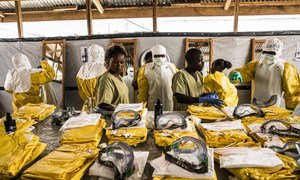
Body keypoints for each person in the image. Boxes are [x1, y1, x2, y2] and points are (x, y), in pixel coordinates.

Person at [229, 38, 300, 110]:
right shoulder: (256, 64)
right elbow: (245, 71)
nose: (267, 55)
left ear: (279, 53)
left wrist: (291, 109)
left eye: (272, 53)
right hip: (255, 103)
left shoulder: (286, 68)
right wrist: (237, 74)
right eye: (265, 52)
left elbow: (293, 91)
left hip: (273, 106)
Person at [137, 45, 177, 111]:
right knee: (152, 120)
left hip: (169, 103)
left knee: (168, 119)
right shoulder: (145, 69)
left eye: (162, 56)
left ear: (165, 55)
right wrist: (141, 108)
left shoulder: (172, 68)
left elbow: (177, 88)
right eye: (156, 56)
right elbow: (142, 93)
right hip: (152, 104)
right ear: (153, 55)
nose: (159, 58)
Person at [96, 45, 129, 111]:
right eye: (115, 62)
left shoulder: (118, 77)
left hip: (122, 118)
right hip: (112, 119)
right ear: (108, 61)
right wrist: (121, 110)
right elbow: (103, 105)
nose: (119, 66)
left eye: (122, 62)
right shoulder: (106, 79)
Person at [76, 44, 107, 111]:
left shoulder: (82, 69)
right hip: (100, 107)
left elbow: (81, 92)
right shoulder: (102, 70)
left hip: (86, 106)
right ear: (99, 54)